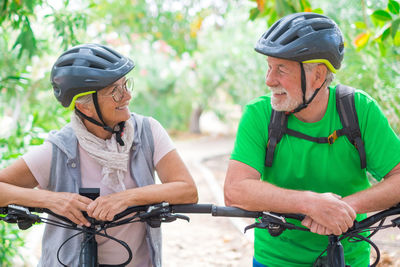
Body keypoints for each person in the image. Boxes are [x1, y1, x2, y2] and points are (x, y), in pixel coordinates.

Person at [224, 12, 400, 266]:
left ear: (317, 76)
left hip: (348, 258)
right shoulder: (259, 114)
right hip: (276, 259)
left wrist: (344, 207)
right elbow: (235, 189)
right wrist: (311, 203)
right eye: (269, 66)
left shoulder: (358, 110)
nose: (269, 80)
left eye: (281, 69)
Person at [0, 43, 198, 267]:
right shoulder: (59, 149)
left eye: (125, 85)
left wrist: (124, 198)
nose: (128, 96)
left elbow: (187, 190)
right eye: (115, 91)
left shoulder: (148, 132)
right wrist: (52, 200)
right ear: (85, 107)